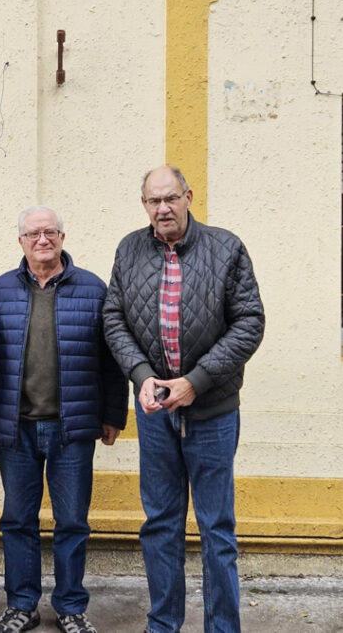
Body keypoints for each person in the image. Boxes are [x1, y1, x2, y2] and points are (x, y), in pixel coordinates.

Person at [103, 166, 265, 633]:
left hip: (212, 411)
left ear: (188, 196)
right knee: (160, 525)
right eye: (154, 201)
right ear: (144, 205)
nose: (163, 209)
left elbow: (249, 322)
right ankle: (163, 624)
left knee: (216, 530)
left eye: (171, 198)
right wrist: (141, 376)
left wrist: (196, 380)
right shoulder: (130, 249)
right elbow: (114, 318)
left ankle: (222, 628)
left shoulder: (226, 247)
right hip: (155, 412)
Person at [0, 206, 128, 633]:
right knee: (17, 521)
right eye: (33, 233)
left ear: (63, 236)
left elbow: (113, 360)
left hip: (72, 429)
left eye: (50, 232)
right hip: (15, 427)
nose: (43, 239)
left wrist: (113, 414)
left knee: (72, 520)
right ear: (20, 240)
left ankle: (71, 607)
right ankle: (21, 605)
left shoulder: (94, 290)